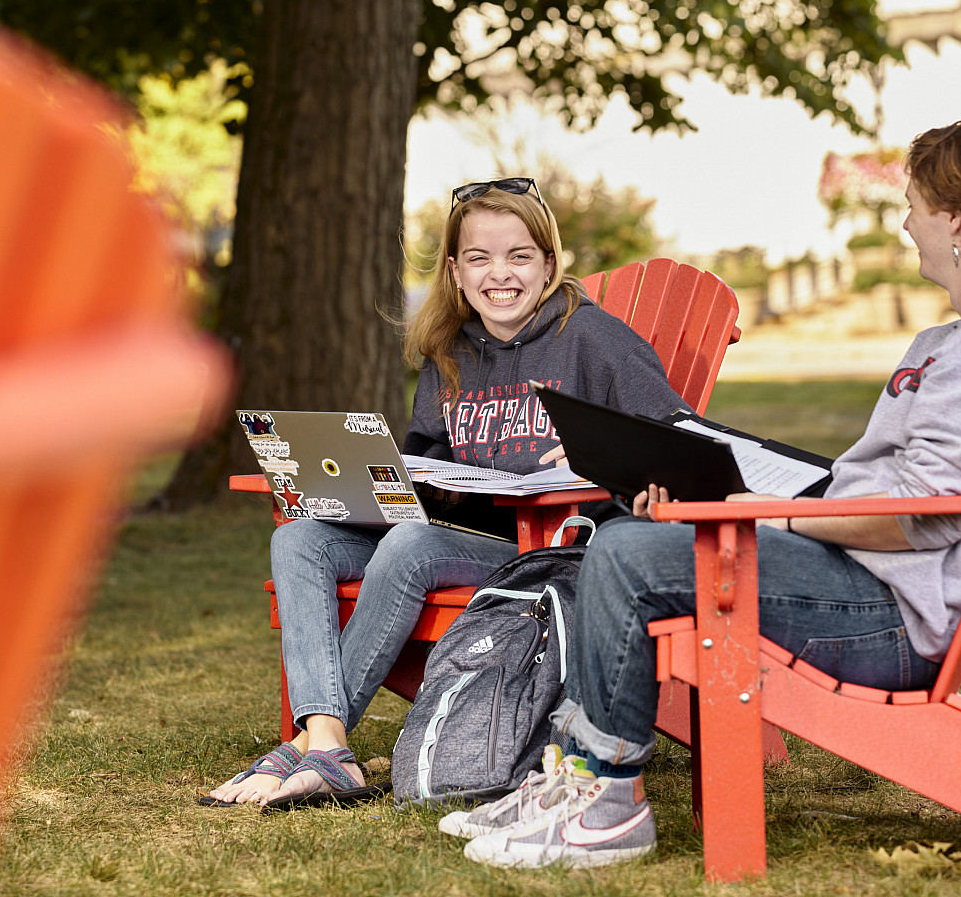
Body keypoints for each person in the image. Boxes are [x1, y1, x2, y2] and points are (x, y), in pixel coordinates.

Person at [452, 121, 961, 868]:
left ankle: (605, 799)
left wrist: (762, 510)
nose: (906, 223)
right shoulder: (950, 339)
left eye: (914, 205)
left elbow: (922, 515)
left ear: (958, 217)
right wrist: (723, 482)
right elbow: (880, 487)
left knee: (623, 550)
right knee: (632, 533)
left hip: (890, 614)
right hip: (851, 570)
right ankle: (577, 776)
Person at [204, 177, 690, 808]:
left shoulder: (594, 341)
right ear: (457, 271)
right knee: (301, 537)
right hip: (468, 537)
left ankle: (317, 751)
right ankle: (325, 739)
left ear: (548, 263)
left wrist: (597, 454)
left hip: (557, 555)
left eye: (519, 256)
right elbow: (431, 449)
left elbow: (677, 442)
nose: (500, 275)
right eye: (480, 259)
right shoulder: (449, 349)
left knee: (409, 546)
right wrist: (411, 479)